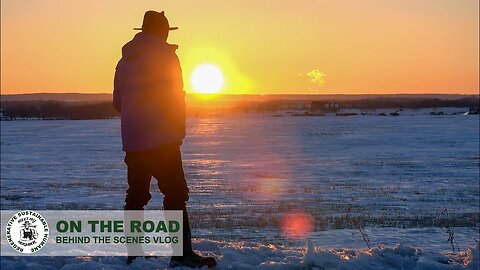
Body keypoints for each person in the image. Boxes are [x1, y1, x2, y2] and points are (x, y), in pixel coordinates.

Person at [113, 10, 217, 268]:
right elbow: (175, 97)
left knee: (136, 196)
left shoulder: (124, 61)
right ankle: (182, 254)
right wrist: (177, 131)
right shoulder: (167, 56)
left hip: (134, 142)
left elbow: (118, 103)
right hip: (162, 140)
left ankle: (135, 255)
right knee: (175, 194)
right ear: (163, 31)